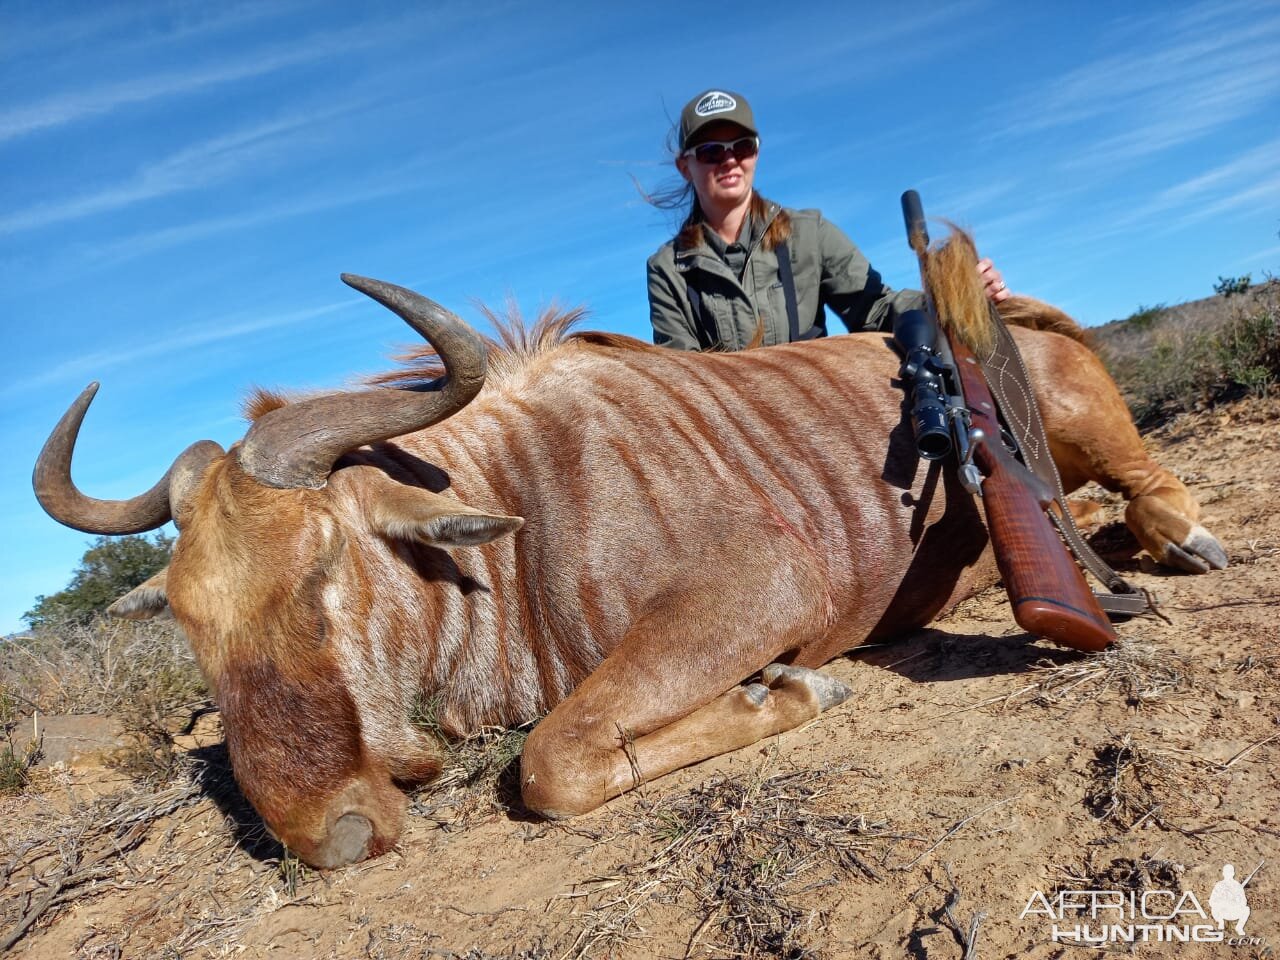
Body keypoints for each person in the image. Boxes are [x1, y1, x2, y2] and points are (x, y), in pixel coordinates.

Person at [647, 88, 1009, 351]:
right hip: (730, 438)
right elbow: (682, 378)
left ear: (756, 154)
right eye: (710, 152)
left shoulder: (810, 232)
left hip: (816, 421)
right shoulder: (667, 269)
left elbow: (875, 309)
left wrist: (956, 298)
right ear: (685, 167)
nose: (729, 161)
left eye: (741, 147)